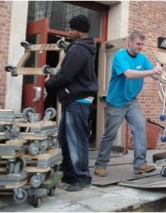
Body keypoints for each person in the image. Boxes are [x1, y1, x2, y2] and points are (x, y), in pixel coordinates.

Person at [94, 30, 163, 177]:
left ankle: (139, 164)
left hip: (132, 101)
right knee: (110, 134)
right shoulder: (120, 56)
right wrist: (151, 71)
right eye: (138, 44)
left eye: (142, 44)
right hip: (116, 102)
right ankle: (100, 164)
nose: (140, 47)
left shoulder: (142, 58)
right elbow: (129, 74)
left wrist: (160, 71)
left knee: (140, 128)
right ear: (129, 43)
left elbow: (155, 76)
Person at [45, 15, 98, 191]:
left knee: (76, 140)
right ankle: (69, 174)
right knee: (65, 139)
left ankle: (82, 177)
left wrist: (49, 83)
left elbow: (66, 75)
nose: (69, 32)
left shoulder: (78, 50)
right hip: (74, 100)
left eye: (71, 29)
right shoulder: (82, 48)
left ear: (79, 31)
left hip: (78, 100)